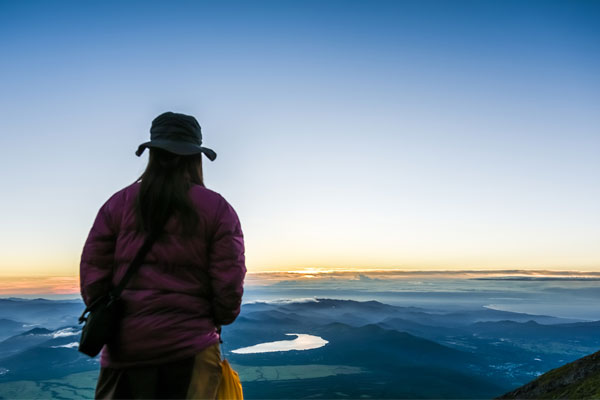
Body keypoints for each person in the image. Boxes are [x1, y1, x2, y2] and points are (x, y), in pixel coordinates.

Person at [79, 111, 246, 399]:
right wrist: (213, 318)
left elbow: (93, 276)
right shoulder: (218, 209)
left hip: (124, 350)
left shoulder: (117, 204)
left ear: (152, 153)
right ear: (196, 157)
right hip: (191, 348)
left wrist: (118, 315)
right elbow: (228, 285)